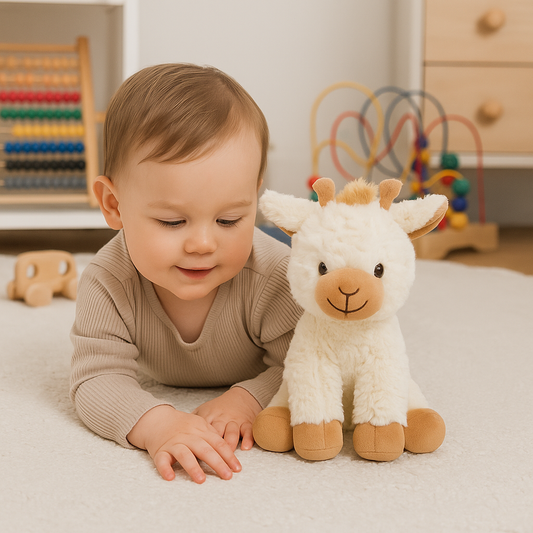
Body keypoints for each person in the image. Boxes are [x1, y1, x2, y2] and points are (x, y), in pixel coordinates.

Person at [70, 64, 302, 484]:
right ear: (113, 205)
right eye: (173, 222)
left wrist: (250, 398)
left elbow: (310, 361)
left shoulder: (275, 275)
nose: (203, 244)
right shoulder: (108, 281)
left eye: (229, 220)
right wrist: (156, 422)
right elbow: (95, 379)